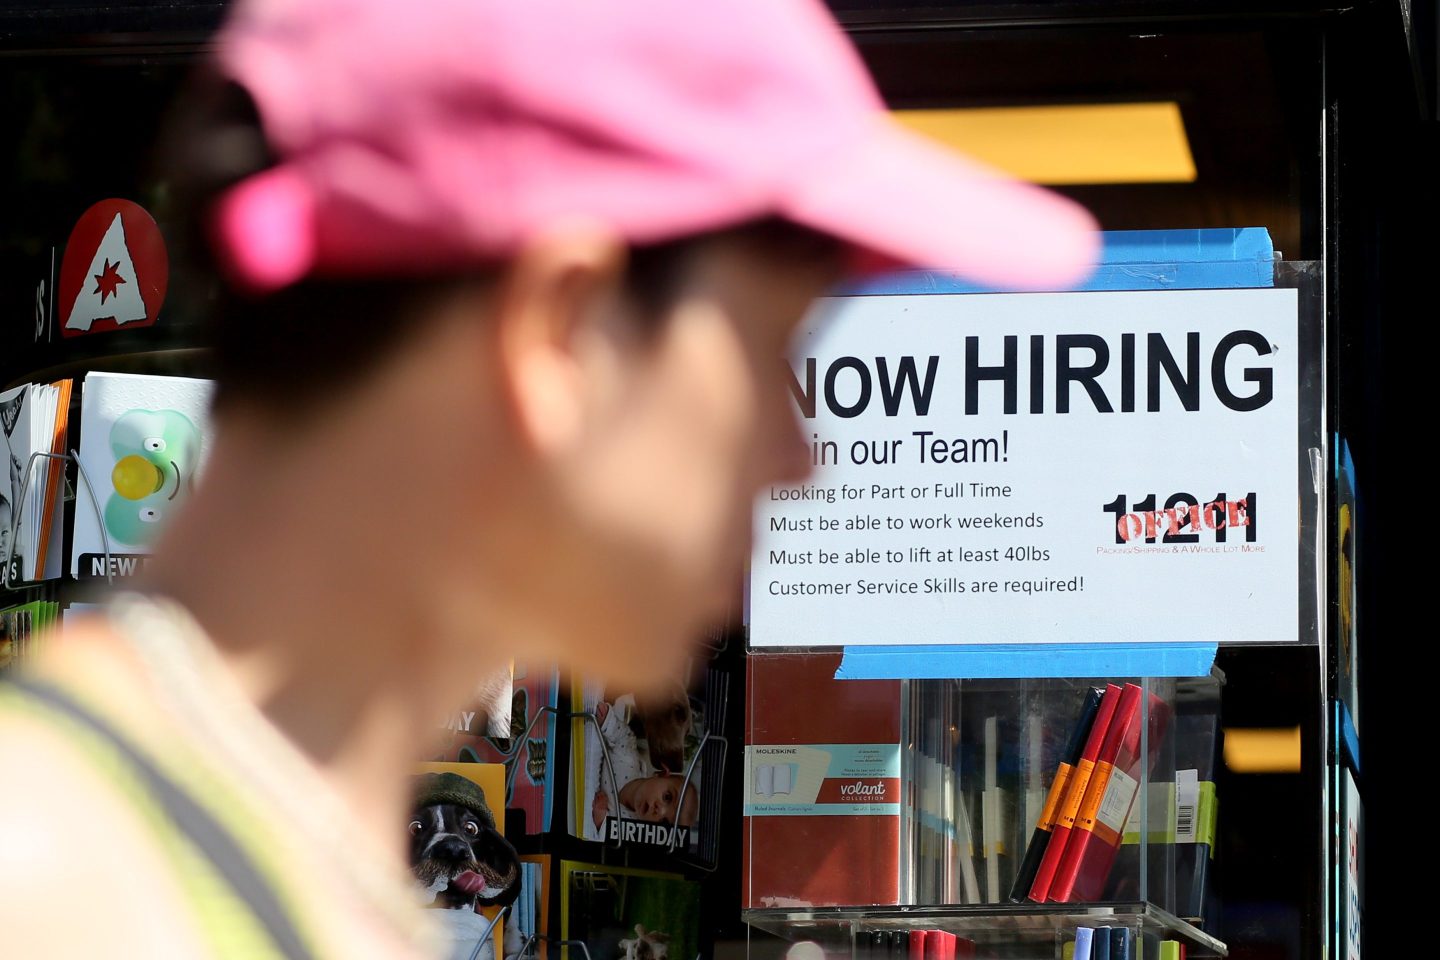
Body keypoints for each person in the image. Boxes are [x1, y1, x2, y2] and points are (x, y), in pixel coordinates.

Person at [0, 0, 1096, 956]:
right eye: (768, 351)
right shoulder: (53, 882)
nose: (798, 457)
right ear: (561, 331)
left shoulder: (243, 845)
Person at [587, 696, 700, 839]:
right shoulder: (629, 760)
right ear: (662, 773)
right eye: (667, 797)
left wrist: (601, 820)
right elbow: (623, 736)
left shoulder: (629, 826)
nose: (659, 811)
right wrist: (607, 721)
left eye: (664, 822)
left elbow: (608, 834)